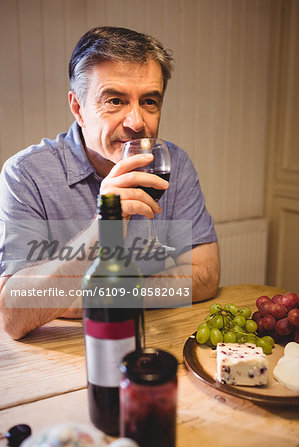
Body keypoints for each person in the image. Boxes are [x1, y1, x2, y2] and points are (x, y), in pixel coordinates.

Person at [0, 26, 220, 339]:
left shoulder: (173, 163)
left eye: (149, 102)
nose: (137, 123)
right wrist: (102, 228)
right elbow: (13, 314)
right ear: (78, 108)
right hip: (64, 356)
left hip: (154, 341)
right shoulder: (25, 174)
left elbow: (205, 275)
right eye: (115, 100)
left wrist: (90, 296)